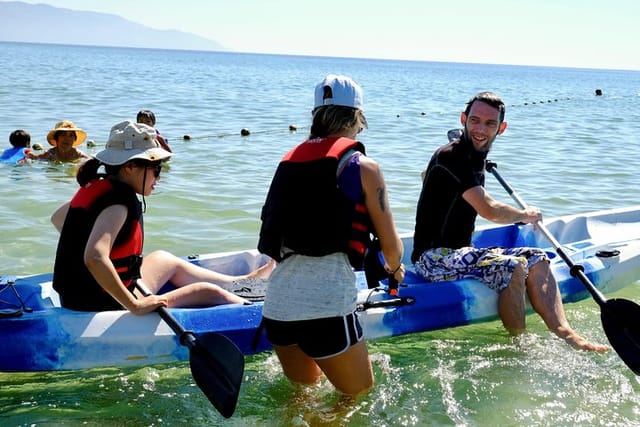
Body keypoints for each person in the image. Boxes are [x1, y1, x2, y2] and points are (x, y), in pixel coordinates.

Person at [411, 91, 609, 352]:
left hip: (461, 252)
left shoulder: (471, 157)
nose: (481, 129)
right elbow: (489, 210)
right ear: (463, 119)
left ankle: (566, 333)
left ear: (501, 128)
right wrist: (525, 215)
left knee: (538, 258)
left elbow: (430, 176)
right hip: (433, 258)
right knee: (513, 266)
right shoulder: (453, 156)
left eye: (490, 123)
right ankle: (520, 346)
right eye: (475, 120)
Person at [257, 74, 405, 398]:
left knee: (302, 398)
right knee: (358, 396)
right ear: (357, 117)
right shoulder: (364, 167)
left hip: (278, 308)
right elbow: (392, 247)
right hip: (326, 307)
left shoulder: (289, 161)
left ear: (316, 116)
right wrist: (395, 269)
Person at [51, 120, 272, 313]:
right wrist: (135, 306)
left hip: (78, 295)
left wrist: (109, 249)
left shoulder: (98, 186)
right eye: (156, 168)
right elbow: (95, 258)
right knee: (207, 292)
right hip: (101, 303)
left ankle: (240, 282)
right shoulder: (118, 204)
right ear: (130, 167)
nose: (159, 176)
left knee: (163, 259)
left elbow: (59, 219)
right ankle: (258, 313)